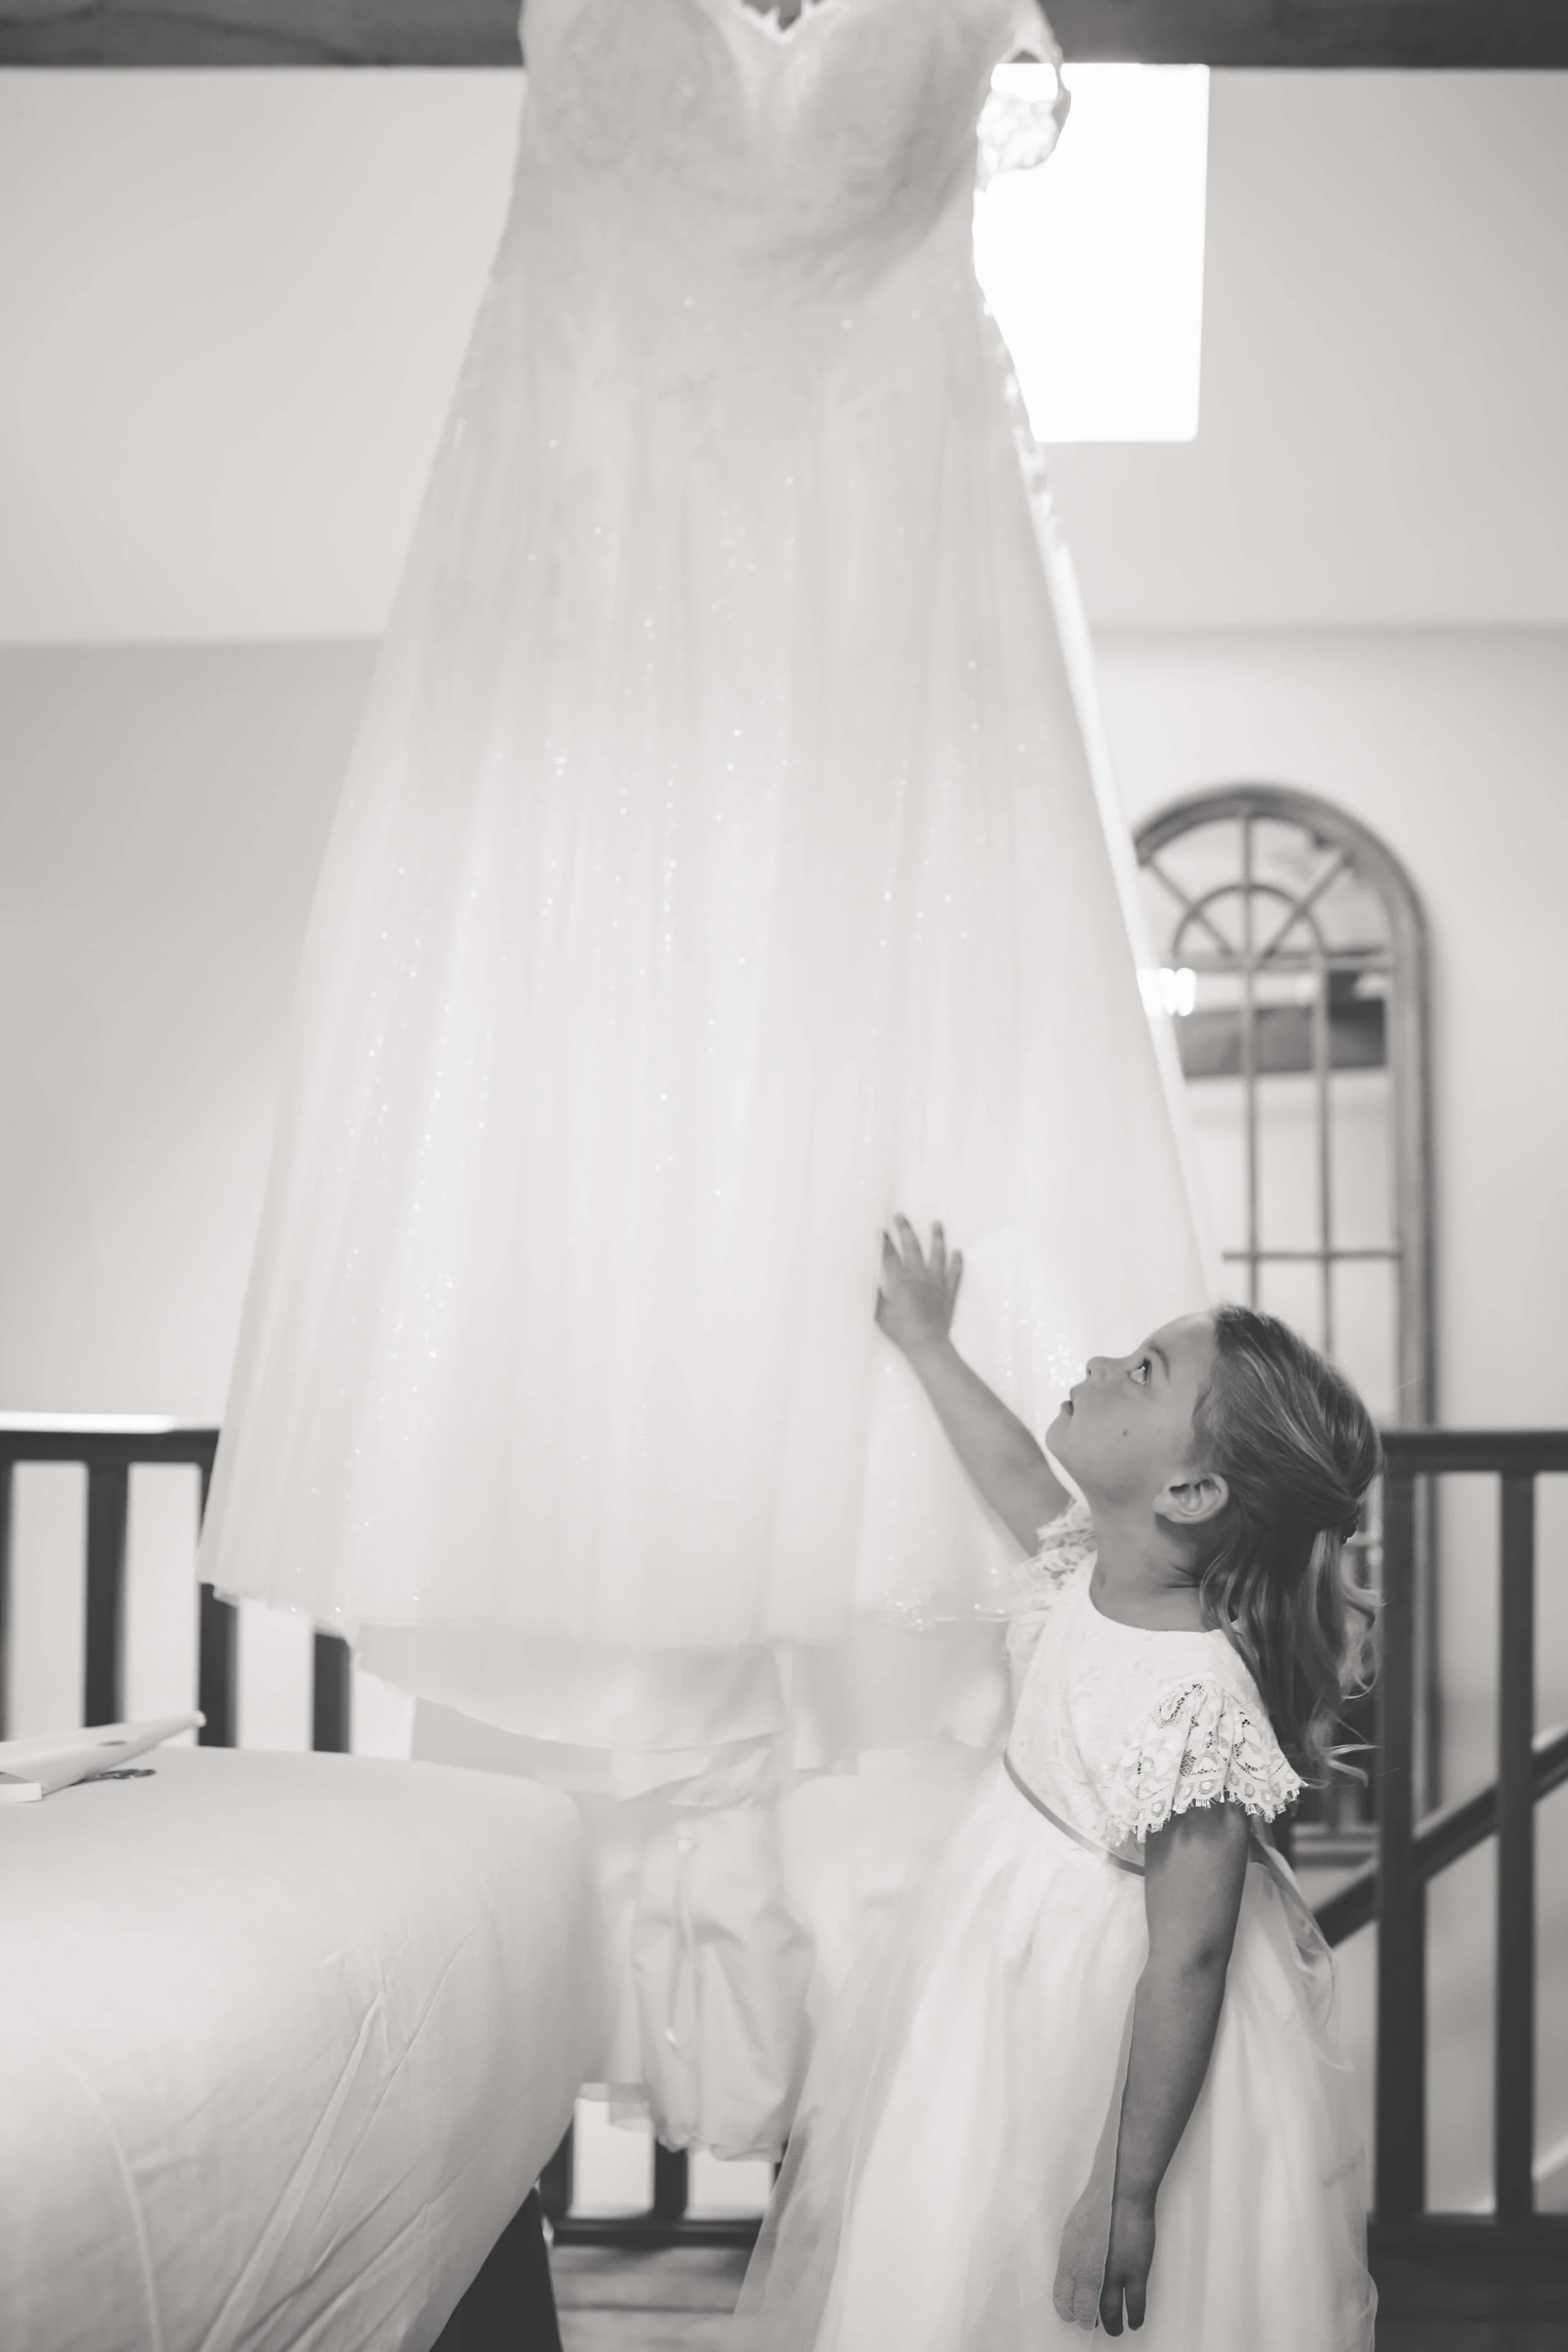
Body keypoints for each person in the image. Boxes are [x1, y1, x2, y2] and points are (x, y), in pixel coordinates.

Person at [198, 0, 1208, 2149]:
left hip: (879, 671)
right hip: (606, 626)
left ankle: (822, 2007)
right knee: (629, 1157)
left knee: (801, 1172)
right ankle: (695, 1941)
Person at [737, 1219, 1379, 2349]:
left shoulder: (1196, 1705)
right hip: (1000, 1952)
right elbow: (1014, 1471)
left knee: (1063, 2262)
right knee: (956, 2217)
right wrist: (928, 1343)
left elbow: (1189, 1956)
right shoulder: (1088, 1565)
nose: (1097, 1365)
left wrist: (1125, 2192)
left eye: (1144, 1372)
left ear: (1189, 1491)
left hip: (1111, 2021)